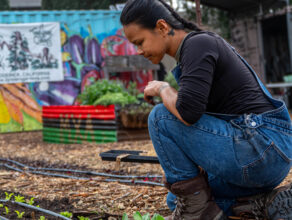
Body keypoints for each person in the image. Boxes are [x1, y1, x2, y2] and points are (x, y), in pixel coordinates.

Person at [120, 0, 292, 219]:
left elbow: (189, 114)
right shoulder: (193, 53)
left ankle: (199, 212)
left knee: (160, 118)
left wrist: (163, 88)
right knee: (177, 198)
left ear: (162, 27)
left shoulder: (198, 44)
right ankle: (262, 204)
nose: (138, 51)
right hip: (267, 156)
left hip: (260, 147)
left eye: (140, 41)